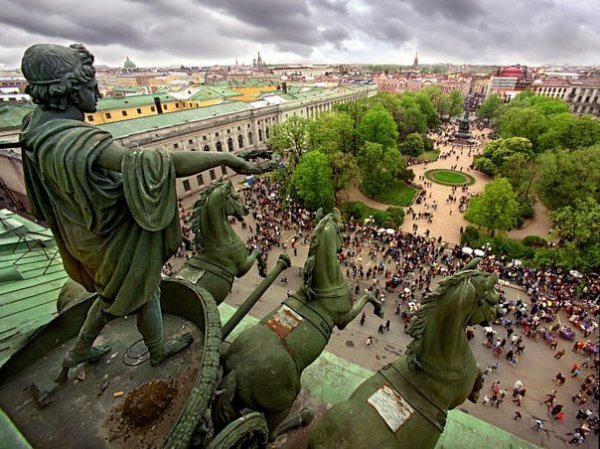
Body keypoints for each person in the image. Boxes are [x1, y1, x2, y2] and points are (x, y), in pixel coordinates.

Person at [20, 44, 269, 378]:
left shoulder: (34, 127)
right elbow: (158, 164)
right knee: (146, 292)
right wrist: (225, 158)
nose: (98, 93)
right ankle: (157, 350)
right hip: (107, 238)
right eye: (91, 86)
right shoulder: (77, 141)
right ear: (69, 91)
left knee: (109, 297)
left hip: (79, 232)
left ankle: (77, 352)